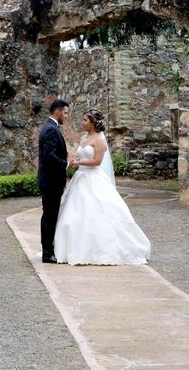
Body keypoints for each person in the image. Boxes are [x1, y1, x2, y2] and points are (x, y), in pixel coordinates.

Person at [54, 109, 151, 265]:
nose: (82, 122)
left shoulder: (100, 140)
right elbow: (80, 155)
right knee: (74, 213)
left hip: (93, 178)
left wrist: (79, 163)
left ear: (93, 122)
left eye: (85, 120)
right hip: (80, 178)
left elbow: (97, 161)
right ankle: (70, 248)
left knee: (99, 211)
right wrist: (73, 161)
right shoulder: (84, 137)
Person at [37, 99, 70, 264]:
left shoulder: (50, 127)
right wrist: (66, 164)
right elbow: (49, 156)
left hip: (50, 181)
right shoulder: (51, 129)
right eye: (64, 112)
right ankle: (47, 253)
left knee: (50, 215)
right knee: (49, 217)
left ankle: (48, 250)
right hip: (51, 182)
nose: (65, 116)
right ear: (58, 111)